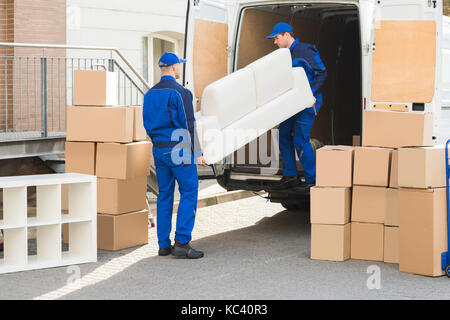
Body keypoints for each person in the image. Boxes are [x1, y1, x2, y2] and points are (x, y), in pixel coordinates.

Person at [143, 52, 208, 259]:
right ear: (173, 67)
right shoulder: (182, 93)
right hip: (179, 149)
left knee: (165, 194)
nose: (180, 68)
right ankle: (182, 242)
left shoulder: (150, 94)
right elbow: (190, 125)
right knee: (189, 190)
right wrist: (198, 153)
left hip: (159, 150)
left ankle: (163, 245)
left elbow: (147, 124)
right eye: (179, 65)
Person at [267, 22, 327, 191]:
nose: (275, 42)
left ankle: (312, 179)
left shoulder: (306, 50)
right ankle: (290, 176)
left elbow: (322, 73)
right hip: (291, 104)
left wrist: (310, 93)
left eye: (276, 38)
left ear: (287, 35)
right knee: (283, 134)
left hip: (308, 103)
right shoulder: (282, 56)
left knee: (300, 138)